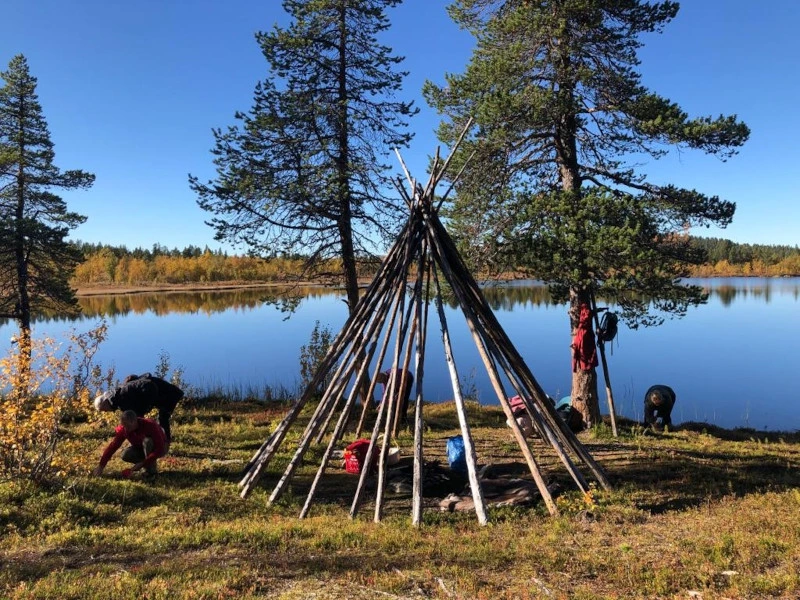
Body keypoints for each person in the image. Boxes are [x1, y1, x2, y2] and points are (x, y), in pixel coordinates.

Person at [94, 373, 183, 445]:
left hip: (170, 394)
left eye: (103, 409)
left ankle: (163, 444)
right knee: (158, 419)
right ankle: (158, 442)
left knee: (162, 418)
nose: (105, 411)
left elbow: (150, 386)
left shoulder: (121, 394)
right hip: (167, 394)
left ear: (105, 402)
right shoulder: (117, 397)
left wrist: (145, 408)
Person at [93, 410, 167, 477]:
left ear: (134, 421)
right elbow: (113, 446)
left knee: (147, 442)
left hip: (161, 447)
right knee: (125, 454)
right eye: (123, 425)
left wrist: (143, 463)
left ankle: (151, 472)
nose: (125, 428)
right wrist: (101, 466)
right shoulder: (124, 430)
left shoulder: (150, 425)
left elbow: (160, 448)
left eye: (127, 426)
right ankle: (147, 467)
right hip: (140, 448)